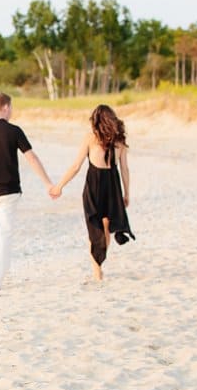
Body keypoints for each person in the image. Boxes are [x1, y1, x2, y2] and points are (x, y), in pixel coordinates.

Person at [0, 93, 57, 290]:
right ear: (6, 107)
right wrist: (48, 184)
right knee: (3, 235)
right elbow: (32, 158)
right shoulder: (14, 131)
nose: (12, 111)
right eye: (11, 107)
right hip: (9, 192)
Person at [50, 104, 134, 281]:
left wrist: (59, 186)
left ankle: (97, 270)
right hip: (113, 186)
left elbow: (75, 166)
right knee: (106, 227)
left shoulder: (90, 138)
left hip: (95, 186)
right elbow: (125, 170)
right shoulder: (120, 141)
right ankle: (99, 266)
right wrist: (126, 193)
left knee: (94, 229)